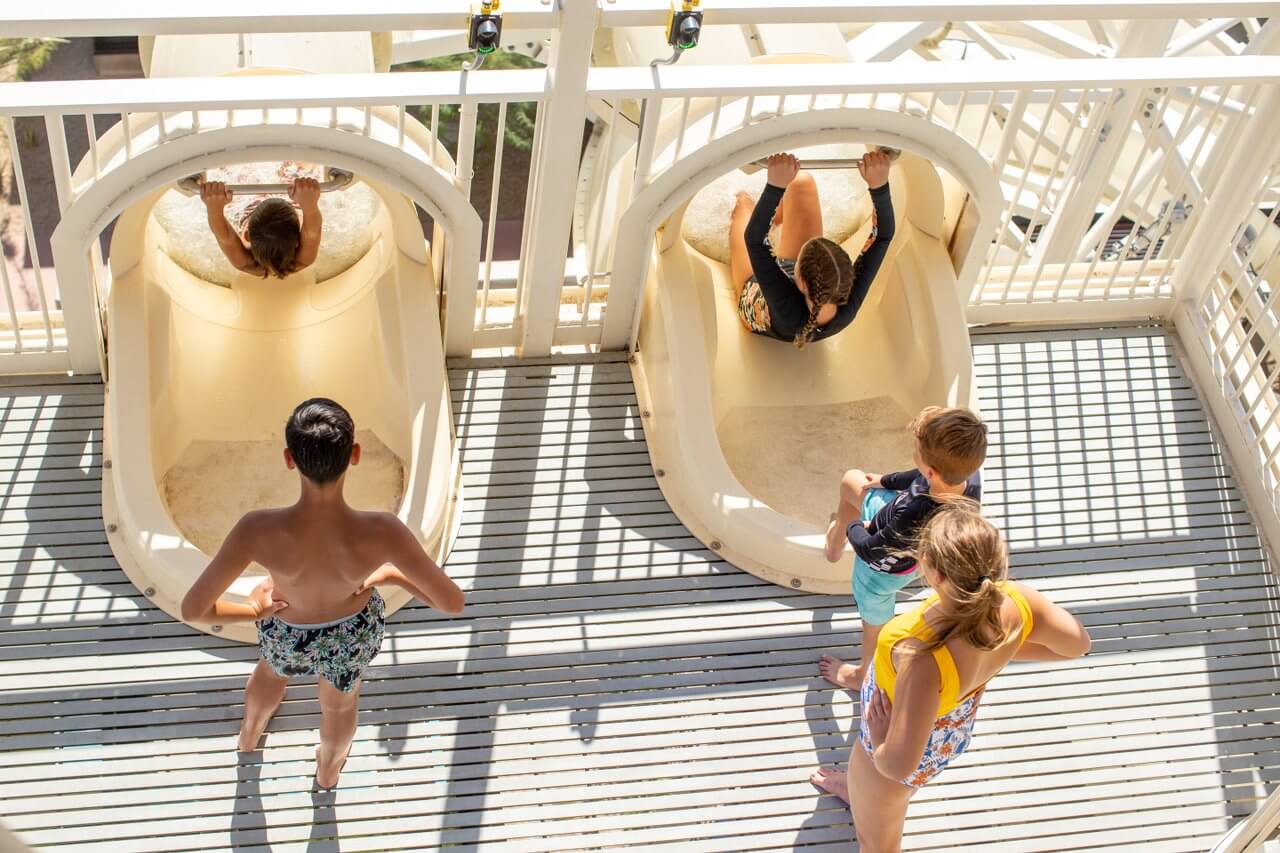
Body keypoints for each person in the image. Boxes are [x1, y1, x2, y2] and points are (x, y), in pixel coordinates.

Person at [180, 398, 465, 788]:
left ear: (288, 459)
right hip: (350, 635)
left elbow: (196, 608)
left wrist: (253, 610)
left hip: (286, 629)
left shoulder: (257, 529)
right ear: (355, 455)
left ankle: (249, 735)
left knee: (270, 671)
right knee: (340, 706)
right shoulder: (382, 531)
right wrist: (392, 577)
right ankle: (328, 770)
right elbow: (451, 602)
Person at [810, 504, 1091, 852]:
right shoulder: (1021, 601)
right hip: (947, 731)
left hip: (889, 753)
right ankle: (860, 792)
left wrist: (880, 739)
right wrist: (1001, 650)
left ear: (936, 576)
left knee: (877, 843)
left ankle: (864, 794)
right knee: (880, 796)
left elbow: (897, 765)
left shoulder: (921, 657)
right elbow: (1077, 646)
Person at [820, 406, 987, 691]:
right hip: (917, 559)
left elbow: (870, 550)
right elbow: (918, 476)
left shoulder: (911, 512)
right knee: (854, 483)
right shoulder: (968, 481)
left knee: (876, 628)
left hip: (879, 574)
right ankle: (836, 540)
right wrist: (885, 481)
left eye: (917, 450)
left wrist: (857, 527)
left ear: (931, 470)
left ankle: (862, 677)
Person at [728, 149, 895, 348]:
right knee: (800, 181)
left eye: (801, 254)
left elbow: (754, 240)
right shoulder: (846, 297)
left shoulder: (786, 305)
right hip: (805, 287)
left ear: (802, 283)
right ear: (847, 276)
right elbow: (882, 236)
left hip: (759, 305)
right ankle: (773, 214)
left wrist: (774, 186)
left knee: (743, 203)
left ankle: (763, 209)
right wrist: (879, 186)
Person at [200, 172, 323, 279]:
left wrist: (214, 206)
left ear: (247, 236)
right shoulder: (303, 259)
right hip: (277, 221)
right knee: (297, 178)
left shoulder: (245, 263)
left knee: (242, 177)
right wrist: (309, 203)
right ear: (298, 240)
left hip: (246, 206)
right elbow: (312, 233)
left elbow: (224, 236)